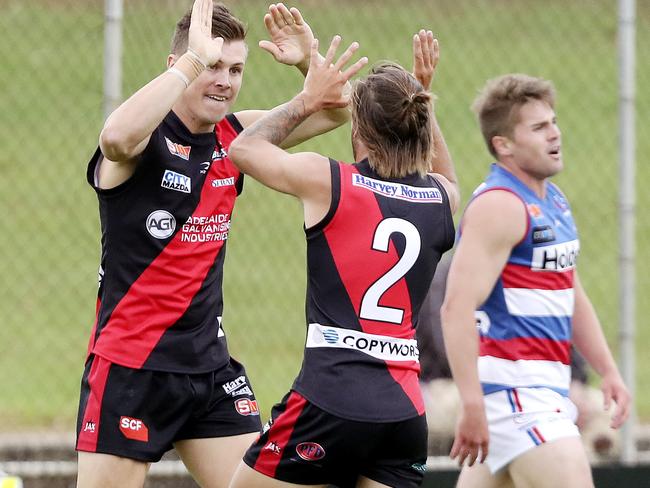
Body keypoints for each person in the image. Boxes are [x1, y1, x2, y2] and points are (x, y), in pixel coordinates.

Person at [74, 1, 355, 487]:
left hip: (211, 369)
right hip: (133, 368)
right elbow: (115, 138)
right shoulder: (144, 139)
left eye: (236, 68)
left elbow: (336, 110)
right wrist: (192, 63)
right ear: (177, 67)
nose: (224, 80)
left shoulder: (239, 136)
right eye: (213, 66)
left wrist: (310, 61)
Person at [227, 30, 460, 488]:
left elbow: (241, 148)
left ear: (358, 130)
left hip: (330, 400)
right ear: (419, 123)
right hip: (404, 415)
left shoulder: (329, 181)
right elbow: (446, 175)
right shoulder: (440, 200)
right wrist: (421, 97)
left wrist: (308, 99)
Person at [440, 73, 631, 488]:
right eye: (539, 127)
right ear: (503, 145)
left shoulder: (553, 201)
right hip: (516, 399)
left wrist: (608, 370)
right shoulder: (500, 206)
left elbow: (570, 290)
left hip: (539, 396)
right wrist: (472, 402)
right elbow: (455, 308)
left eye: (554, 122)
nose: (555, 134)